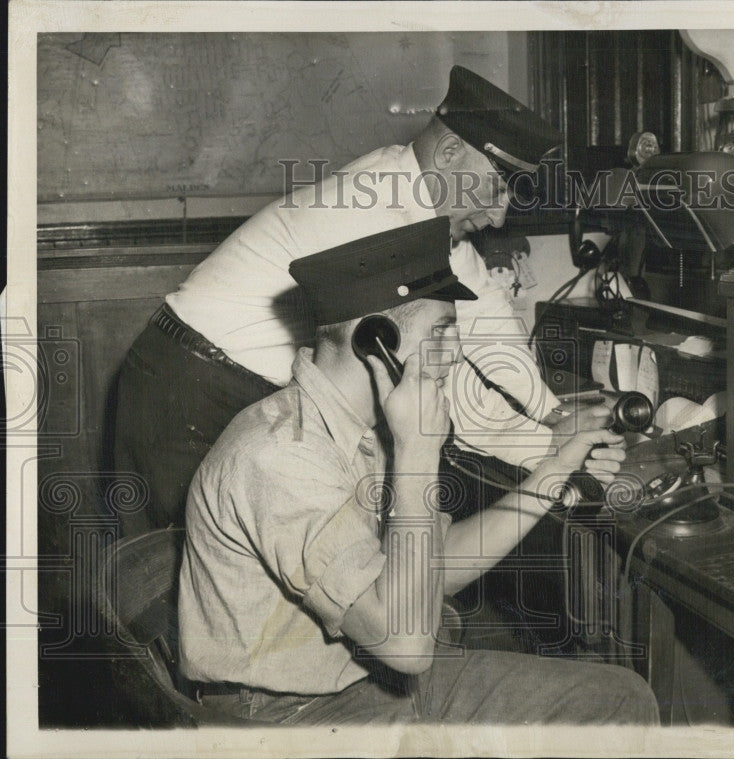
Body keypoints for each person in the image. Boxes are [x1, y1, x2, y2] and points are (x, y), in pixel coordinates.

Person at [177, 218, 659, 725]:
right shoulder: (277, 455)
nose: (453, 355)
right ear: (375, 341)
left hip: (368, 677)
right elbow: (406, 643)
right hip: (285, 715)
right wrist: (416, 455)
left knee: (621, 701)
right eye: (441, 333)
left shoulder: (367, 428)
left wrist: (554, 469)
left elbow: (438, 568)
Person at [115, 64, 606, 535]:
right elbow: (428, 379)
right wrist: (551, 449)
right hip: (192, 388)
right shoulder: (376, 211)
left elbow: (486, 314)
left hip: (239, 388)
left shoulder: (423, 205)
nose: (499, 218)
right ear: (452, 152)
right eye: (498, 189)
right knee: (191, 595)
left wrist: (549, 410)